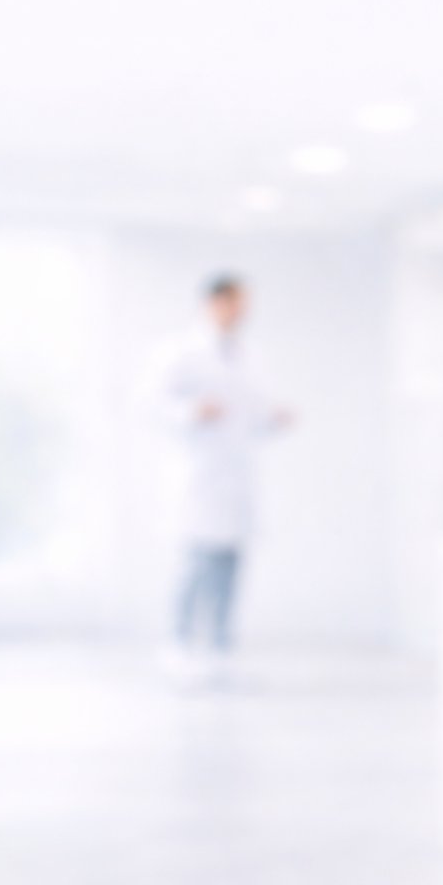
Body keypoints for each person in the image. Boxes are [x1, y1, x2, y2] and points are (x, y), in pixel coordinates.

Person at [153, 274, 293, 680]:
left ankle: (220, 647)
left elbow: (250, 410)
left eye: (245, 303)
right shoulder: (180, 352)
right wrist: (191, 412)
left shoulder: (248, 354)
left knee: (231, 564)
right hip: (198, 474)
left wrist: (272, 418)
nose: (243, 311)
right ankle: (178, 642)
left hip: (235, 475)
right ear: (213, 303)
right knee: (195, 564)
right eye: (236, 302)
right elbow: (153, 404)